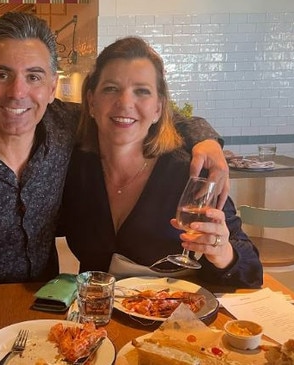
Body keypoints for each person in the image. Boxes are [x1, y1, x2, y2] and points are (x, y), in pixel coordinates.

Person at [0, 12, 230, 287]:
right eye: (2, 75)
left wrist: (206, 140)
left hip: (43, 307)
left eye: (34, 76)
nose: (18, 92)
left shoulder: (64, 125)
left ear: (52, 86)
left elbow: (137, 114)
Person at [58, 37, 262, 288]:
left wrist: (221, 253)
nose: (124, 102)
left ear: (158, 108)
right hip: (94, 317)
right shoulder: (73, 167)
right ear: (91, 101)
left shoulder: (189, 171)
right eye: (111, 88)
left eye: (142, 91)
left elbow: (251, 269)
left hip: (173, 318)